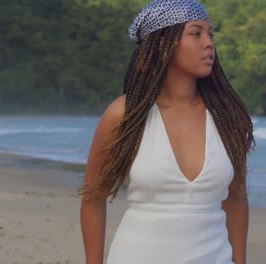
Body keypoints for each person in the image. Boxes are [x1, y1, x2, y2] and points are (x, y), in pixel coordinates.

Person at [77, 0, 255, 263]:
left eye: (210, 34)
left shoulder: (228, 118)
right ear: (163, 44)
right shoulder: (125, 115)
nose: (208, 43)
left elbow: (236, 200)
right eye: (195, 33)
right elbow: (93, 199)